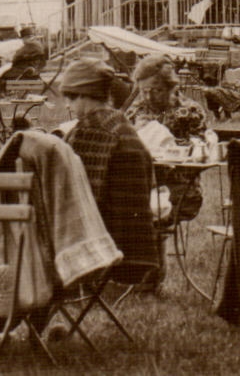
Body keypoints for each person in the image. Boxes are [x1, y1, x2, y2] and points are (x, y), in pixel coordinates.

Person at [57, 60, 163, 289]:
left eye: (72, 98)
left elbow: (74, 197)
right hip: (133, 239)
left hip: (99, 238)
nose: (68, 105)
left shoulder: (91, 131)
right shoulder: (121, 125)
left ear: (88, 94)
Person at [125, 55, 215, 221]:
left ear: (171, 87)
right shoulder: (137, 110)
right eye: (144, 91)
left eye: (156, 90)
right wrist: (135, 132)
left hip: (179, 188)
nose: (149, 97)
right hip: (141, 185)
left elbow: (203, 154)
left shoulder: (190, 111)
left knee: (143, 214)